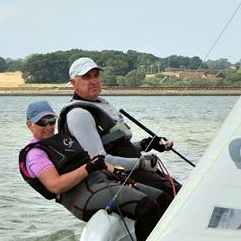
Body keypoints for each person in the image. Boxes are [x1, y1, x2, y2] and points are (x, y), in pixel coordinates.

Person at [18, 99, 166, 241]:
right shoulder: (35, 154)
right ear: (29, 125)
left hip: (101, 183)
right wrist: (88, 167)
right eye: (42, 123)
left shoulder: (63, 140)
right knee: (146, 206)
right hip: (80, 197)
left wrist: (119, 174)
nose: (49, 127)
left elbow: (97, 162)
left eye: (51, 121)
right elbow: (55, 186)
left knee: (163, 198)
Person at [57, 57, 180, 211]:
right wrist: (141, 163)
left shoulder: (99, 105)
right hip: (118, 175)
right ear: (74, 83)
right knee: (175, 198)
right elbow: (100, 161)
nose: (93, 81)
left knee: (179, 191)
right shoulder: (78, 114)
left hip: (133, 168)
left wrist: (145, 145)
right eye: (86, 77)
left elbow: (115, 147)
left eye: (96, 75)